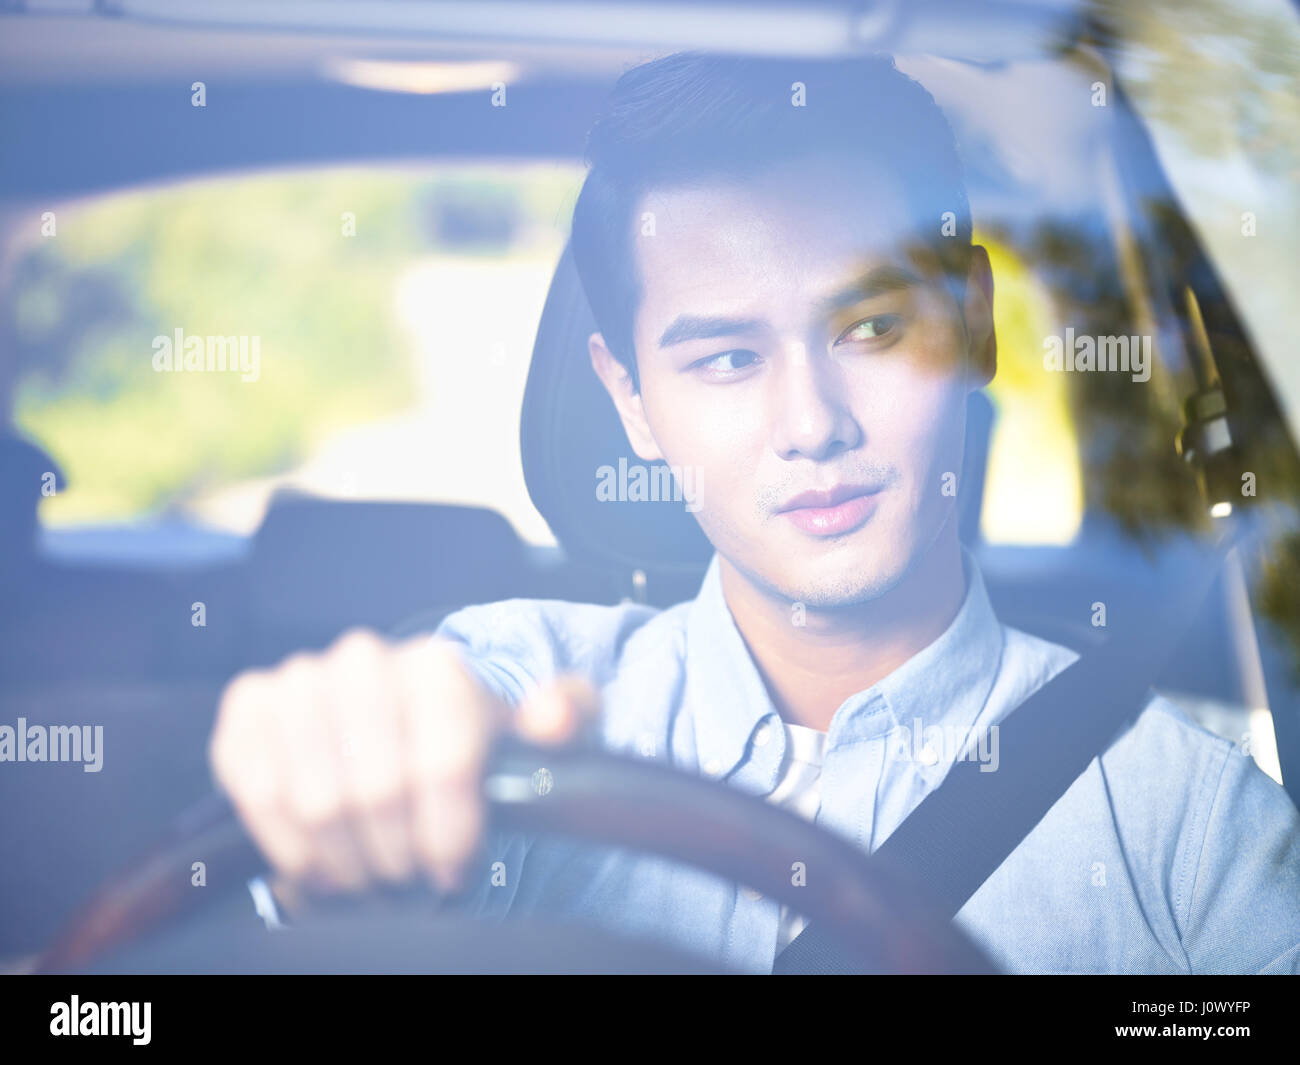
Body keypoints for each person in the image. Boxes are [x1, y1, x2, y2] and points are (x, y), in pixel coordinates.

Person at [209, 52, 1300, 974]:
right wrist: (352, 810)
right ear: (631, 398)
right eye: (727, 358)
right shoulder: (522, 693)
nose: (810, 425)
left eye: (871, 331)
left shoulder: (1192, 836)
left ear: (974, 323)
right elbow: (426, 731)